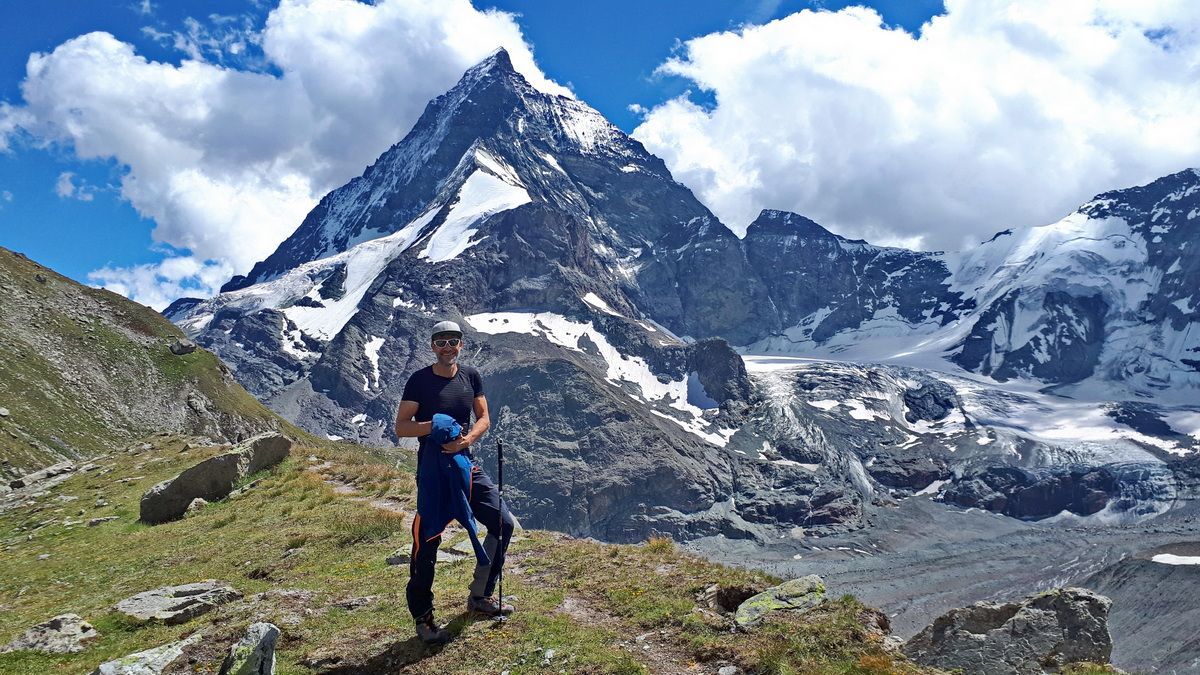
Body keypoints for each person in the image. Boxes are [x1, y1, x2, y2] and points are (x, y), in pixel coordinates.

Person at [394, 320, 516, 644]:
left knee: (502, 523)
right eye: (441, 342)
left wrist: (466, 441)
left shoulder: (470, 377)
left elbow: (484, 418)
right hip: (433, 470)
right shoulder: (419, 381)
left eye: (453, 341)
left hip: (465, 463)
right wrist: (433, 425)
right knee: (427, 542)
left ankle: (480, 596)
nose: (447, 347)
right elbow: (402, 427)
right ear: (432, 346)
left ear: (461, 344)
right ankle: (423, 618)